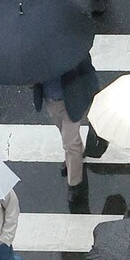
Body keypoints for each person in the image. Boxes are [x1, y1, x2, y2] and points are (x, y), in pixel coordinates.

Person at [31, 56, 99, 200]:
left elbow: (88, 72)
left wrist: (96, 97)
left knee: (69, 144)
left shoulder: (72, 49)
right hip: (50, 101)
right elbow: (29, 75)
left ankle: (75, 184)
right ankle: (74, 156)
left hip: (72, 103)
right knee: (67, 137)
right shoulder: (36, 52)